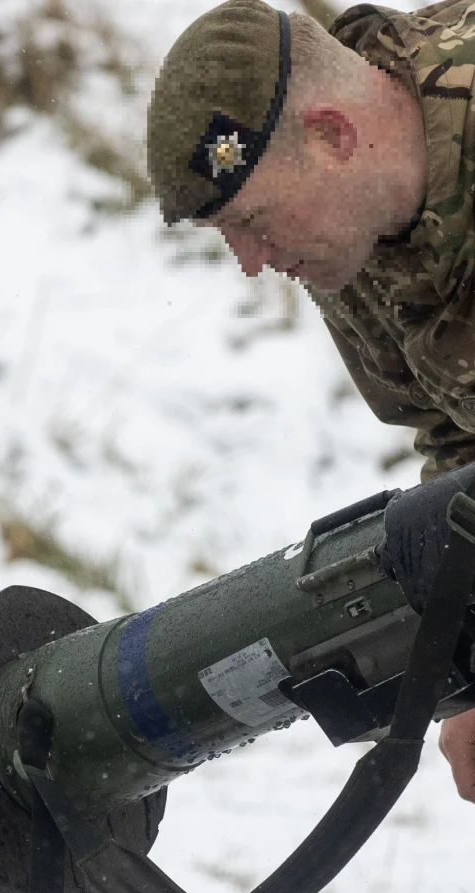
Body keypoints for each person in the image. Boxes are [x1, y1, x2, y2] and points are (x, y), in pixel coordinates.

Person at [144, 0, 475, 803]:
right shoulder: (350, 241)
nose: (252, 263)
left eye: (252, 222)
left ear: (333, 135)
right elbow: (454, 442)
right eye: (228, 236)